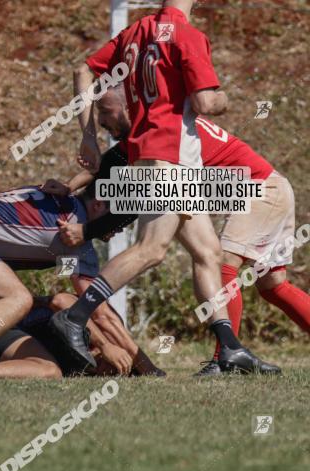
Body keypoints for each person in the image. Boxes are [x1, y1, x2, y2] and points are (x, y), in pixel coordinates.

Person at [52, 0, 279, 375]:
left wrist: (88, 137)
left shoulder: (136, 32)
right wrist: (224, 99)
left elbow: (83, 70)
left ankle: (230, 348)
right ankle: (74, 317)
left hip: (163, 157)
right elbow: (206, 101)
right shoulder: (188, 36)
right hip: (168, 156)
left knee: (209, 253)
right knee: (150, 249)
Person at [63, 86, 307, 376]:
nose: (100, 121)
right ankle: (228, 356)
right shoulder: (158, 125)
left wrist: (90, 229)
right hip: (263, 187)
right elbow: (114, 164)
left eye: (104, 111)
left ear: (129, 107)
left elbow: (139, 195)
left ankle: (225, 360)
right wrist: (68, 187)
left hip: (261, 190)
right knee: (273, 286)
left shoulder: (158, 134)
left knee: (223, 264)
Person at [0, 182, 163, 378]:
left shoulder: (58, 198)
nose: (120, 227)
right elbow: (98, 312)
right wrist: (147, 368)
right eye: (119, 217)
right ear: (98, 204)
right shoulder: (75, 232)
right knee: (18, 299)